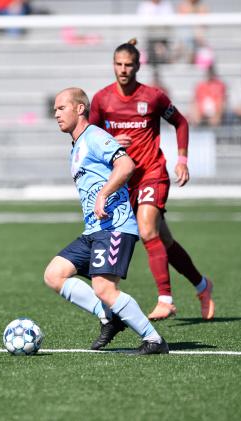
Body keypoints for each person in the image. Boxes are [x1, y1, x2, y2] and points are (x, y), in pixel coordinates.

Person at [89, 39, 214, 327]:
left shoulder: (153, 97)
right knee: (164, 242)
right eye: (118, 64)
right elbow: (89, 136)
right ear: (113, 65)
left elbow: (181, 122)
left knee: (146, 229)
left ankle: (165, 300)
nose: (123, 70)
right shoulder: (102, 100)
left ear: (138, 66)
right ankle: (202, 286)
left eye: (128, 65)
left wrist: (182, 159)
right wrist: (109, 141)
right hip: (123, 180)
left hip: (152, 173)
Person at [44, 87, 168, 354]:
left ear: (80, 108)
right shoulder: (77, 144)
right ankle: (109, 317)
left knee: (104, 288)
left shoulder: (94, 136)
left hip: (115, 227)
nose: (56, 114)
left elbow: (126, 165)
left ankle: (154, 340)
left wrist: (104, 193)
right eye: (54, 109)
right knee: (54, 275)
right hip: (94, 229)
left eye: (61, 108)